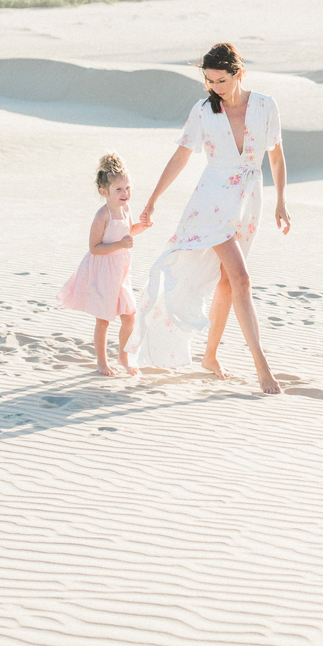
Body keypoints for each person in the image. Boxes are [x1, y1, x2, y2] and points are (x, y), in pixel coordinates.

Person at [131, 42, 291, 394]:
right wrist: (153, 200)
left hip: (249, 199)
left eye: (220, 80)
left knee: (225, 282)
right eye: (209, 81)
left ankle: (210, 356)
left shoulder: (265, 106)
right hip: (212, 201)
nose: (214, 88)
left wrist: (281, 201)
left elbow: (276, 156)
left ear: (238, 73)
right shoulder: (203, 111)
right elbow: (181, 156)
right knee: (242, 280)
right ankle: (262, 366)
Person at [57, 152, 155, 375]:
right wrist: (120, 244)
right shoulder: (103, 215)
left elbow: (129, 232)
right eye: (119, 189)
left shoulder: (126, 209)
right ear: (105, 192)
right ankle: (102, 362)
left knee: (129, 316)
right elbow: (95, 248)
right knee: (104, 320)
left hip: (121, 272)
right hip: (103, 271)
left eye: (128, 188)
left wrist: (143, 226)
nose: (125, 193)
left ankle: (123, 356)